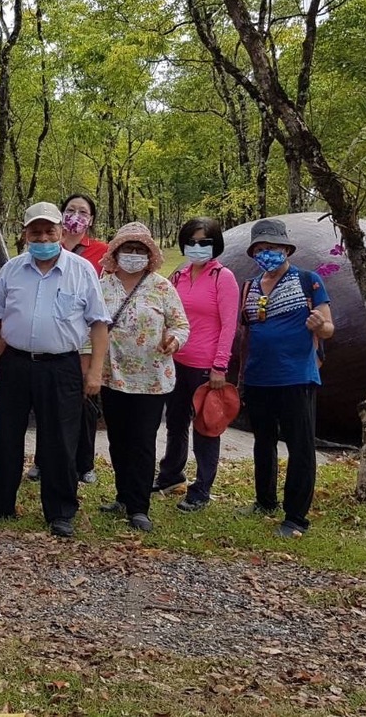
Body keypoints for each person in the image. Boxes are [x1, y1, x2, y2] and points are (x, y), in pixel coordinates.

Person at [0, 202, 110, 539]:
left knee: (60, 441)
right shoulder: (12, 270)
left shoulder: (82, 271)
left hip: (61, 367)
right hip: (16, 363)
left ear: (61, 232)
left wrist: (95, 372)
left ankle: (61, 511)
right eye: (36, 232)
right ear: (26, 234)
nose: (43, 237)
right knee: (5, 436)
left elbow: (99, 324)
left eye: (50, 231)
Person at [238, 218, 333, 539]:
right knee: (263, 443)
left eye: (273, 248)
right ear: (254, 253)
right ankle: (265, 501)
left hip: (296, 377)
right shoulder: (249, 287)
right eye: (261, 249)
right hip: (258, 378)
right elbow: (247, 332)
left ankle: (295, 517)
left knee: (300, 447)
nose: (268, 254)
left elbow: (329, 327)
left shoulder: (309, 281)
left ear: (286, 249)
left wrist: (320, 326)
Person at [96, 222, 189, 533]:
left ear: (150, 255)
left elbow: (180, 325)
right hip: (111, 376)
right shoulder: (103, 284)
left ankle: (139, 507)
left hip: (152, 379)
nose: (133, 255)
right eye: (127, 249)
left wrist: (173, 341)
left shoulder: (161, 286)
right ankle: (123, 495)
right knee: (117, 440)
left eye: (139, 250)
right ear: (116, 252)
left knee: (142, 442)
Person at [157, 217, 239, 511]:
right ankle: (170, 473)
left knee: (206, 427)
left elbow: (230, 325)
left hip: (206, 366)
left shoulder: (223, 278)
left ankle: (201, 488)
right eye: (191, 242)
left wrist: (220, 366)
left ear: (215, 244)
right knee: (175, 423)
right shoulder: (177, 277)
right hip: (176, 361)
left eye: (204, 242)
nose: (197, 247)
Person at [57, 192, 108, 487]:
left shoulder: (101, 251)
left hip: (87, 334)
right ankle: (44, 459)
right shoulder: (51, 245)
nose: (75, 216)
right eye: (70, 210)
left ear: (90, 219)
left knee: (85, 398)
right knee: (52, 401)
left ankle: (84, 462)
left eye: (82, 212)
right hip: (54, 333)